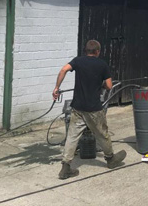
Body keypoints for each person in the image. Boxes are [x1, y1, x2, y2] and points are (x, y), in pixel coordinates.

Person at [52, 39, 127, 180]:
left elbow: (63, 69)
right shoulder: (102, 65)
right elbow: (110, 86)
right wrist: (102, 85)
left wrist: (56, 88)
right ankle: (111, 159)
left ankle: (65, 167)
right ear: (97, 51)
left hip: (77, 107)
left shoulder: (78, 61)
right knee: (102, 133)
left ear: (86, 51)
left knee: (72, 137)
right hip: (94, 109)